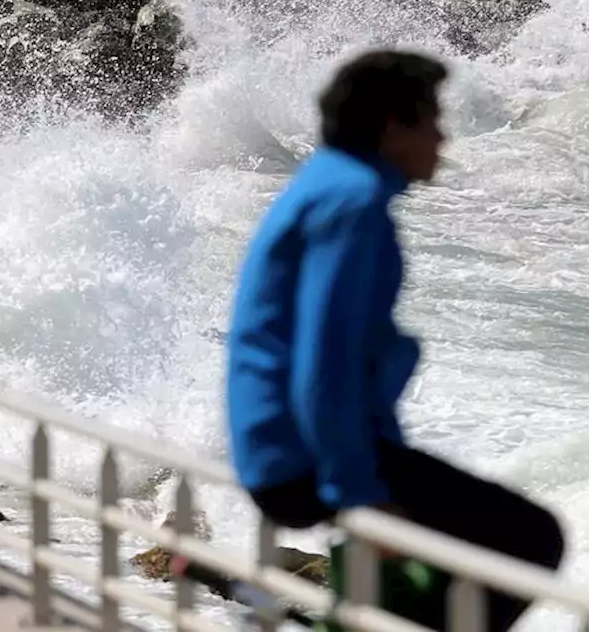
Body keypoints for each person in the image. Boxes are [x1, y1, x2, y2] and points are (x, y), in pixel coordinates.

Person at [223, 49, 566, 630]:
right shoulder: (353, 204)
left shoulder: (329, 184)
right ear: (391, 127)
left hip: (282, 441)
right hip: (302, 454)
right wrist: (358, 489)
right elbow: (323, 366)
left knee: (448, 556)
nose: (443, 139)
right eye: (432, 122)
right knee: (531, 537)